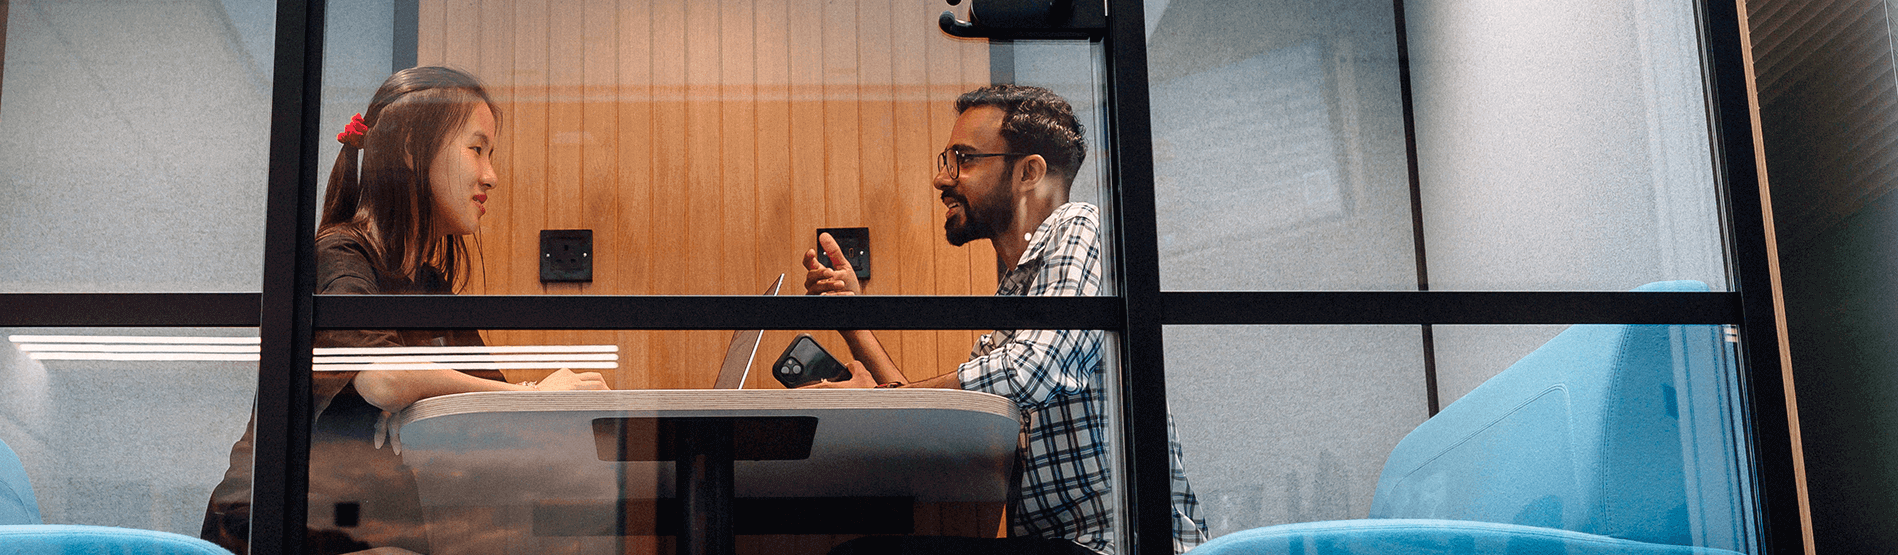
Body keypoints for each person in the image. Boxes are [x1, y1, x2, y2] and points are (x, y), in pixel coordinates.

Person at [200, 66, 608, 555]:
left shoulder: (427, 285)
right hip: (273, 529)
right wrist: (535, 394)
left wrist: (438, 396)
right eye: (476, 149)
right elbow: (385, 379)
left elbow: (485, 402)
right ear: (413, 152)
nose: (490, 177)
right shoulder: (340, 254)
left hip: (361, 530)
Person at [801, 85, 1209, 555]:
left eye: (964, 159)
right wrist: (854, 321)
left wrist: (876, 402)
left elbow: (1033, 369)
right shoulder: (1014, 302)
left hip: (1116, 547)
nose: (942, 179)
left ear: (1029, 172)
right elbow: (937, 416)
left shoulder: (1083, 226)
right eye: (946, 160)